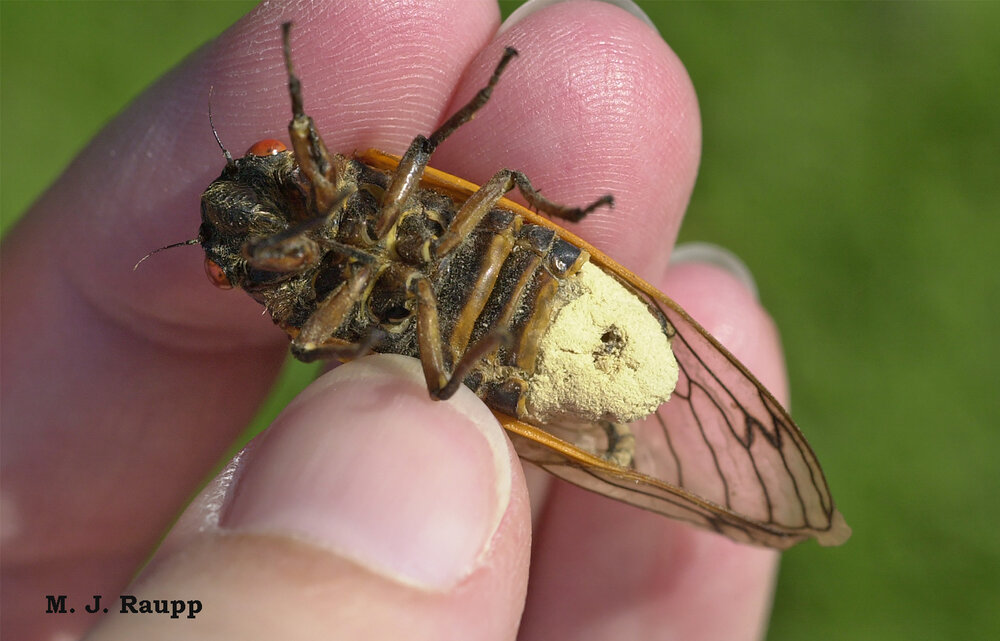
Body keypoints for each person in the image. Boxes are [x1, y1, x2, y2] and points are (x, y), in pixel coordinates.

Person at [1, 1, 789, 638]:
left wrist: (318, 124)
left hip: (520, 278)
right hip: (479, 346)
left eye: (277, 150)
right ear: (241, 276)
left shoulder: (338, 184)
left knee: (493, 176)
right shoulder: (301, 302)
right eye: (225, 268)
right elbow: (316, 338)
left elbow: (419, 157)